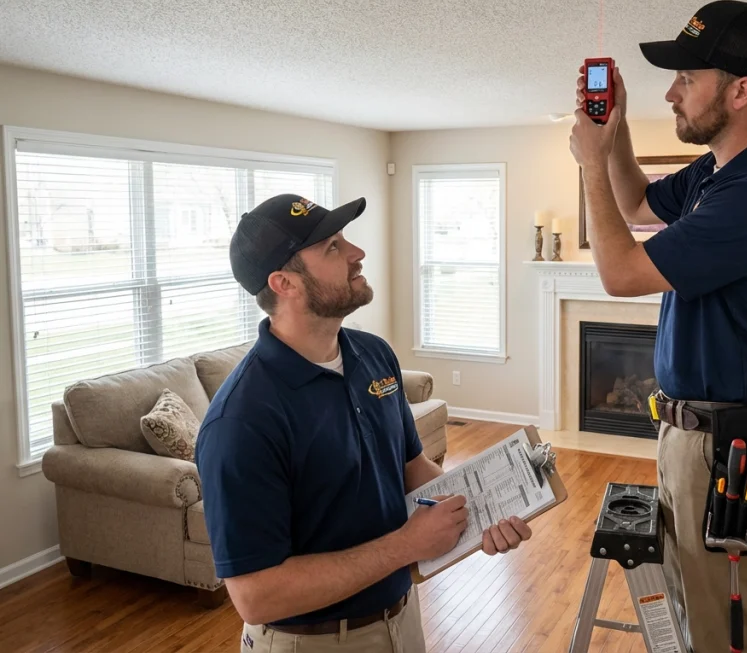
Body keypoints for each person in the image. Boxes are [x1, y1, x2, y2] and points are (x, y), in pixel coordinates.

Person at [569, 0, 747, 653]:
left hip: (725, 450)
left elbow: (621, 272)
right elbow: (636, 202)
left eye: (688, 77)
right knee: (692, 618)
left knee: (723, 636)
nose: (671, 92)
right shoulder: (719, 173)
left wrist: (588, 159)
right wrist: (613, 131)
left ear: (740, 91)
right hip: (695, 439)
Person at [195, 193, 532, 653]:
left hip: (401, 619)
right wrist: (405, 546)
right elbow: (255, 596)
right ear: (284, 283)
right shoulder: (243, 419)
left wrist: (484, 509)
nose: (357, 253)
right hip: (309, 643)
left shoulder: (373, 354)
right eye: (332, 247)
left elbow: (413, 469)